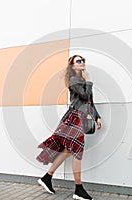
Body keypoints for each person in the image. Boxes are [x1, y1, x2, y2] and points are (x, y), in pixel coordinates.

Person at [36, 55, 103, 200]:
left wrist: (97, 117)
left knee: (68, 150)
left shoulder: (84, 81)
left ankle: (47, 178)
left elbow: (90, 102)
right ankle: (78, 189)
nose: (82, 62)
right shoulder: (73, 80)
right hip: (74, 119)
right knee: (77, 151)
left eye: (83, 60)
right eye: (78, 61)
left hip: (81, 118)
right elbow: (85, 96)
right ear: (72, 66)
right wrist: (89, 81)